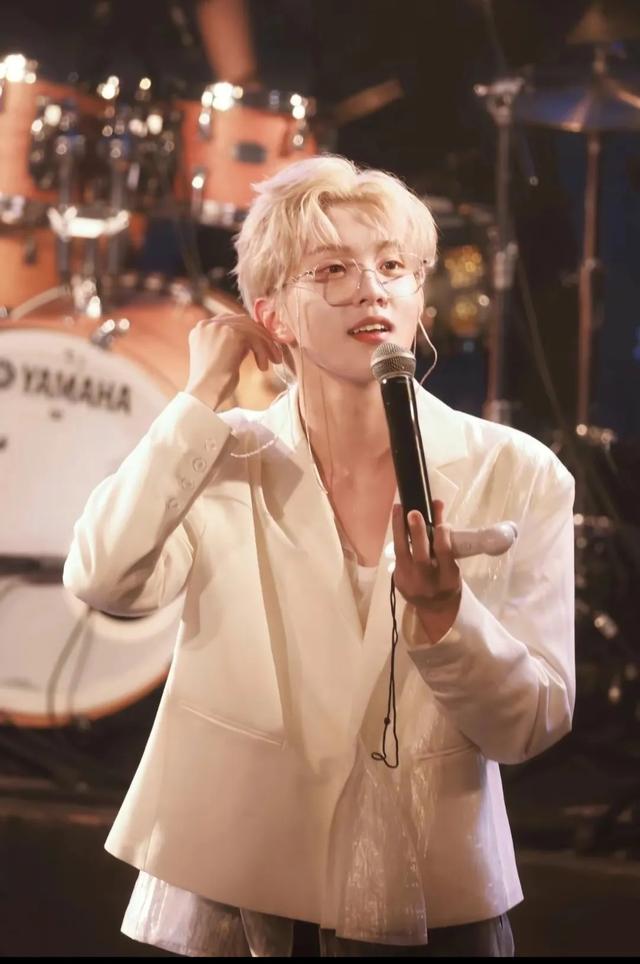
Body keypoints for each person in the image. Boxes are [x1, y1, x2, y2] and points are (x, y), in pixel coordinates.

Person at [62, 154, 576, 957]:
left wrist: (446, 616)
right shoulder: (218, 456)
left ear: (420, 295)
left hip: (432, 887)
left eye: (393, 266)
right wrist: (199, 398)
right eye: (332, 270)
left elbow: (532, 723)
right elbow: (103, 578)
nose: (371, 289)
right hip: (233, 878)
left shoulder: (518, 472)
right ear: (273, 316)